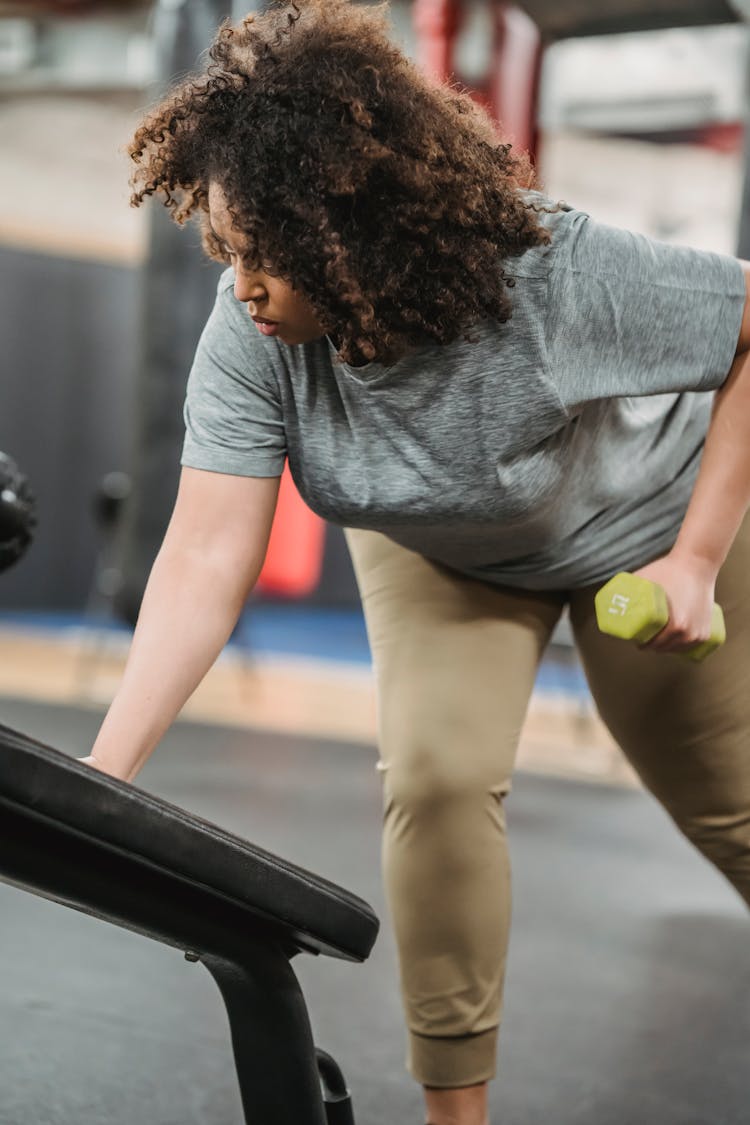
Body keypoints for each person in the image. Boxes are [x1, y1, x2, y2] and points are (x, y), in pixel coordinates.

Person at [80, 2, 750, 1122]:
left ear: (353, 228)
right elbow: (203, 554)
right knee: (435, 781)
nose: (242, 285)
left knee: (735, 814)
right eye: (227, 249)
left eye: (269, 255)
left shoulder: (548, 275)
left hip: (641, 527)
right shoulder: (250, 332)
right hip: (440, 553)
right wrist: (103, 784)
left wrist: (697, 555)